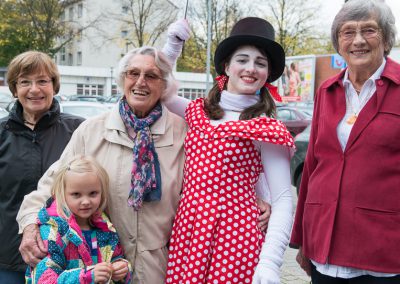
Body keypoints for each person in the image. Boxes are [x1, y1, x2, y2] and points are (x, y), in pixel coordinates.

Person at [17, 21, 271, 283]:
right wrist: (29, 225)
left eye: (151, 76)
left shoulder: (185, 133)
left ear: (164, 86)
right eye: (132, 73)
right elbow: (52, 185)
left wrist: (258, 198)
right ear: (122, 80)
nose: (140, 82)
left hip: (160, 268)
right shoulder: (92, 131)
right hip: (102, 268)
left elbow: (219, 177)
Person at [163, 17, 295, 283]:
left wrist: (270, 261)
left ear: (268, 73)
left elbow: (283, 200)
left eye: (260, 63)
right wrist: (171, 49)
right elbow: (161, 92)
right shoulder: (198, 112)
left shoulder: (265, 128)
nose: (250, 68)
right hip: (189, 235)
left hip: (235, 241)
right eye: (243, 59)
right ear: (227, 66)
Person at [290, 0, 400, 283]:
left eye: (369, 30)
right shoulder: (326, 91)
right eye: (348, 32)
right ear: (338, 42)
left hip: (383, 254)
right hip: (323, 252)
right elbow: (313, 166)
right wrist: (302, 238)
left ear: (387, 39)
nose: (358, 40)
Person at [0, 51, 84, 283]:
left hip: (67, 258)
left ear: (54, 86)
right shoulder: (1, 133)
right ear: (14, 89)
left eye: (42, 81)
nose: (34, 89)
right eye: (25, 82)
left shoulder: (78, 131)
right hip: (8, 256)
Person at [26, 155, 131, 283]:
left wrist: (121, 267)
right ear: (61, 193)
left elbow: (115, 257)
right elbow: (44, 279)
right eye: (76, 194)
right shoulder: (53, 232)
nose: (86, 201)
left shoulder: (105, 228)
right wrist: (86, 277)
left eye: (93, 193)